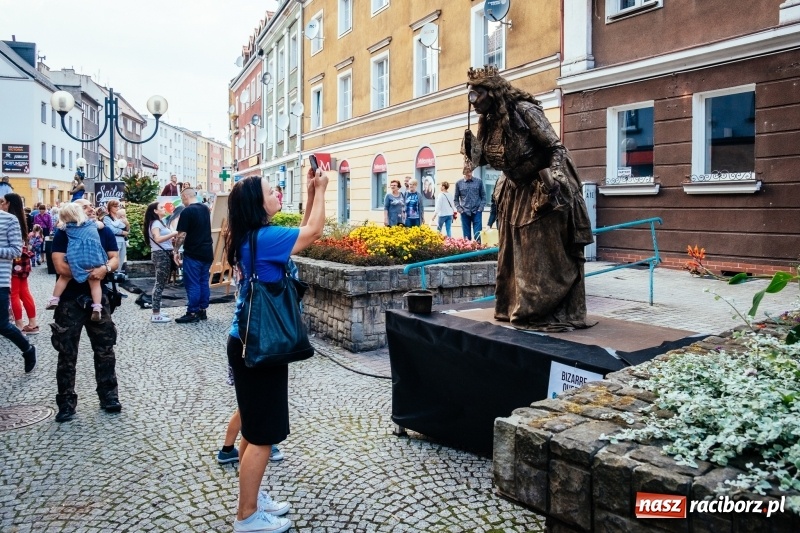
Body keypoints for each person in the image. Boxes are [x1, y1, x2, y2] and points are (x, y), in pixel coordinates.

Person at [224, 169, 327, 533]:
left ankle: (251, 500)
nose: (278, 193)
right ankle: (247, 517)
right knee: (264, 436)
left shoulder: (254, 237)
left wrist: (312, 192)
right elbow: (313, 232)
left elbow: (301, 228)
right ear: (258, 203)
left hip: (249, 343)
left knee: (253, 431)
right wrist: (324, 189)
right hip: (260, 346)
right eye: (272, 191)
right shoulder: (264, 238)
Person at [463, 65, 594, 332]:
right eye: (471, 94)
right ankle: (514, 306)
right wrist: (472, 148)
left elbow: (555, 147)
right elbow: (487, 159)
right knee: (513, 255)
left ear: (493, 93)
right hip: (513, 191)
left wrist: (555, 178)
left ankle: (542, 310)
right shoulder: (488, 120)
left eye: (477, 94)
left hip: (541, 190)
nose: (473, 101)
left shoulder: (525, 111)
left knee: (539, 256)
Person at [51, 199, 121, 422]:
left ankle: (109, 396)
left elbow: (115, 259)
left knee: (105, 349)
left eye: (91, 206)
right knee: (66, 353)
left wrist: (104, 269)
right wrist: (89, 271)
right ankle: (66, 403)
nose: (91, 209)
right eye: (85, 206)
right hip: (70, 301)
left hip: (98, 299)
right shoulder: (63, 232)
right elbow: (59, 266)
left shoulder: (103, 231)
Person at [46, 203, 107, 322]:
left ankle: (54, 299)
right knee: (95, 283)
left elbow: (59, 225)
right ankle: (97, 307)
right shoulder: (91, 224)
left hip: (75, 256)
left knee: (64, 278)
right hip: (93, 256)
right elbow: (101, 224)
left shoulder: (67, 227)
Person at [0, 194, 36, 373]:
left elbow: (15, 250)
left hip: (1, 279)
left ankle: (27, 349)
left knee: (2, 325)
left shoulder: (9, 220)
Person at [174, 188, 213, 324]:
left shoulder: (187, 211)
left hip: (194, 252)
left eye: (181, 198)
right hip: (207, 251)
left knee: (193, 283)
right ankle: (202, 310)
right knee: (203, 282)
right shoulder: (205, 208)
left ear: (185, 196)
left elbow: (181, 235)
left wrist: (175, 250)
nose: (182, 201)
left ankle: (192, 312)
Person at [3, 193, 39, 334]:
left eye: (3, 202)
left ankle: (19, 325)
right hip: (23, 258)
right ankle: (33, 323)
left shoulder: (11, 219)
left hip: (15, 260)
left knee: (14, 293)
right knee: (24, 292)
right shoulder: (21, 218)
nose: (2, 205)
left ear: (9, 204)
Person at [143, 201, 179, 323]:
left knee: (161, 283)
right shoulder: (156, 223)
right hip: (161, 254)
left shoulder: (159, 222)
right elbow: (157, 238)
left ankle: (156, 310)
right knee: (159, 283)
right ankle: (155, 313)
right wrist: (173, 234)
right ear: (155, 211)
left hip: (163, 253)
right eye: (161, 207)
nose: (164, 209)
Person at [454, 168, 486, 242]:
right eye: (467, 174)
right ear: (464, 174)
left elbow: (483, 196)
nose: (469, 175)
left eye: (470, 173)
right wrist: (460, 210)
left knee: (477, 235)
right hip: (465, 212)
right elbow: (456, 199)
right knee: (466, 237)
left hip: (477, 211)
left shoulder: (479, 182)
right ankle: (468, 250)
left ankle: (478, 251)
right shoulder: (458, 183)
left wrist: (480, 208)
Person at [103, 200, 130, 272]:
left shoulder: (121, 216)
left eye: (118, 206)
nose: (117, 208)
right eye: (115, 206)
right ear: (110, 207)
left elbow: (128, 228)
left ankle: (118, 278)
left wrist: (126, 230)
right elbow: (112, 229)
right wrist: (122, 232)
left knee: (121, 261)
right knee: (114, 260)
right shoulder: (107, 218)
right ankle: (111, 280)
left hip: (123, 241)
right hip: (114, 240)